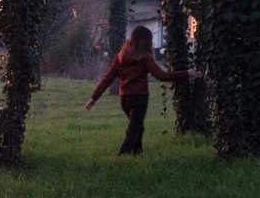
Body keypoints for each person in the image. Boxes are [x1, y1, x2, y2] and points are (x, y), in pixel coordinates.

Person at [85, 26, 202, 155]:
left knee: (138, 127)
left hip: (124, 99)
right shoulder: (145, 57)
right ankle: (123, 155)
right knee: (134, 129)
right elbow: (162, 76)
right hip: (139, 98)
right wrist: (187, 73)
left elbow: (107, 78)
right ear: (147, 41)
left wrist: (93, 98)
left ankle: (137, 154)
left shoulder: (121, 55)